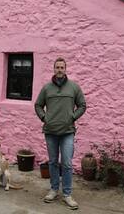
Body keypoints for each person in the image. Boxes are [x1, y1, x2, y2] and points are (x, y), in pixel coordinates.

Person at [35, 57, 86, 210]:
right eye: (57, 67)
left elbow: (82, 105)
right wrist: (45, 118)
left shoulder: (74, 87)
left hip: (68, 131)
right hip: (50, 131)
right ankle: (53, 190)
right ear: (54, 69)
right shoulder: (46, 88)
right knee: (52, 162)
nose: (59, 70)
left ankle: (67, 194)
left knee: (67, 163)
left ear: (65, 69)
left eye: (62, 67)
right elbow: (38, 105)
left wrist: (72, 117)